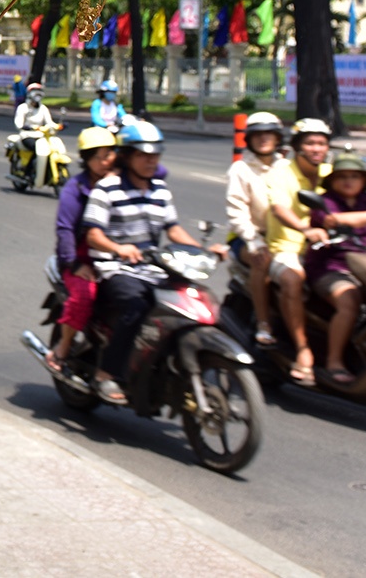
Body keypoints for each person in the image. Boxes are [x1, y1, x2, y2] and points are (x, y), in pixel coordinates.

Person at [81, 140, 216, 403]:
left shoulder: (160, 190)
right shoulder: (107, 188)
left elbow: (173, 230)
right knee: (137, 306)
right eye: (144, 156)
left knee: (192, 300)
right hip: (115, 267)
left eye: (155, 155)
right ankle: (106, 373)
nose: (151, 161)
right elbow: (93, 235)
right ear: (129, 157)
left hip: (153, 268)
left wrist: (203, 251)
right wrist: (119, 248)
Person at [305, 152, 366, 388]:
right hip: (329, 267)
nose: (348, 181)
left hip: (364, 266)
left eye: (354, 176)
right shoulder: (325, 201)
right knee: (349, 300)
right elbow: (333, 220)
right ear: (332, 181)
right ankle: (334, 362)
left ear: (363, 181)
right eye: (342, 177)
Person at [44, 127, 122, 376]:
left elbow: (159, 171)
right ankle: (62, 348)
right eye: (99, 157)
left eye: (109, 155)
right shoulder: (75, 190)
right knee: (84, 296)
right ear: (87, 160)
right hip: (81, 259)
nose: (105, 162)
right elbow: (65, 230)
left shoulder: (123, 180)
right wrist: (75, 265)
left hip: (117, 256)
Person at [265, 118, 333, 385]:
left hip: (327, 248)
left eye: (322, 143)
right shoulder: (281, 174)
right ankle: (303, 349)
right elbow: (279, 209)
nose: (317, 148)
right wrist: (305, 230)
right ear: (297, 147)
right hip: (287, 247)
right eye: (311, 143)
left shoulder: (332, 173)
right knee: (293, 280)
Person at [225, 110, 285, 348]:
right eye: (258, 135)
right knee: (262, 260)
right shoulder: (241, 170)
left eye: (269, 134)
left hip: (284, 237)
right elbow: (236, 212)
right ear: (249, 138)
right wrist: (253, 240)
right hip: (248, 238)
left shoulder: (287, 167)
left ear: (278, 138)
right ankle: (263, 323)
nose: (264, 139)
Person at [12, 81, 59, 177]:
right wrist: (27, 127)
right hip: (27, 135)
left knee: (51, 149)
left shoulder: (43, 108)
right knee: (36, 149)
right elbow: (18, 124)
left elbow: (49, 122)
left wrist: (58, 126)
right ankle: (28, 172)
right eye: (35, 92)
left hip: (41, 136)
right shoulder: (23, 108)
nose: (37, 95)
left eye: (39, 92)